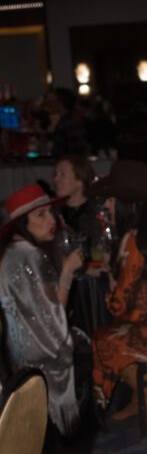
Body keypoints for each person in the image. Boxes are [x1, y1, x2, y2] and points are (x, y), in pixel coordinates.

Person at [0, 185, 83, 435]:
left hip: (12, 356)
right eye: (41, 215)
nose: (51, 220)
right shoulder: (32, 256)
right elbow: (54, 313)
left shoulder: (9, 254)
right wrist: (68, 271)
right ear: (22, 224)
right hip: (40, 358)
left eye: (51, 212)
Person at [89, 161, 147, 417]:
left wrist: (110, 283)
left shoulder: (132, 240)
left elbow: (119, 306)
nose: (106, 206)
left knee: (102, 338)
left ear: (125, 203)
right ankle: (139, 396)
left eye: (110, 200)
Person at [53, 155, 101, 251]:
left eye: (62, 174)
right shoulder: (52, 215)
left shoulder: (97, 214)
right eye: (55, 174)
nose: (55, 179)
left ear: (80, 180)